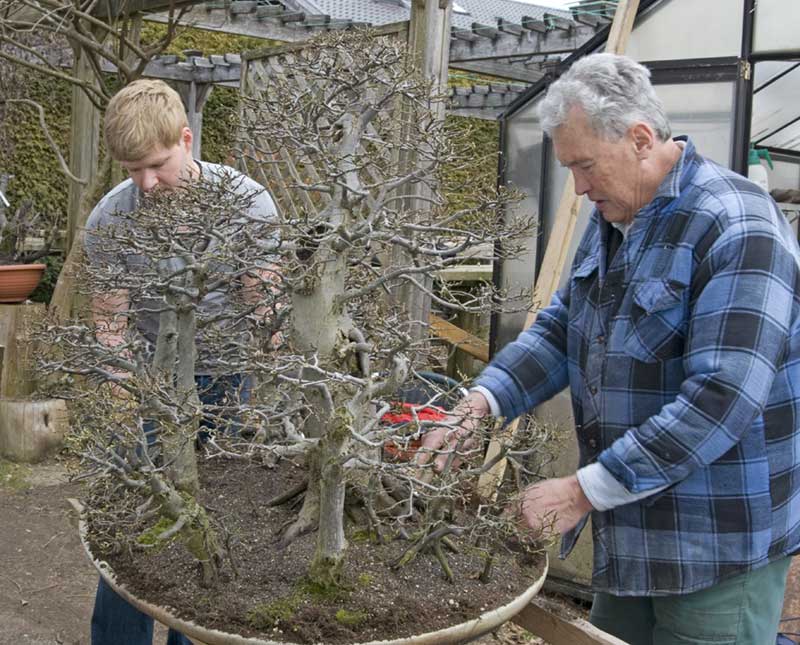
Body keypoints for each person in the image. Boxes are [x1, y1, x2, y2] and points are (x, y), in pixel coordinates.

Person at [423, 53, 800, 645]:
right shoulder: (617, 217)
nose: (576, 185)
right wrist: (481, 404)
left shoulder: (737, 227)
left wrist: (579, 492)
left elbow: (722, 399)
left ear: (642, 139)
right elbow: (559, 330)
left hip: (715, 542)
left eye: (584, 165)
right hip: (631, 528)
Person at [84, 79, 278, 645]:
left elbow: (265, 313)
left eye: (156, 165)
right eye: (130, 169)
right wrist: (126, 398)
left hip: (227, 379)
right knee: (135, 522)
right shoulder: (110, 221)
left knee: (215, 520)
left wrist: (271, 403)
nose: (145, 182)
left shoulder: (249, 204)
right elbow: (110, 326)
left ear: (186, 140)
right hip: (152, 382)